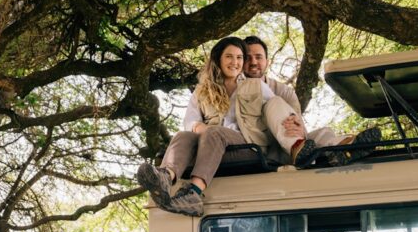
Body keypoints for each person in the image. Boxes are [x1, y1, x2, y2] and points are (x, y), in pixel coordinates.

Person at [136, 36, 320, 216]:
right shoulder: (202, 91)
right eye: (229, 57)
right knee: (183, 136)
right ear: (218, 59)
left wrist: (294, 128)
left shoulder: (256, 86)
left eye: (239, 57)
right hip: (211, 148)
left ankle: (194, 194)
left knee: (215, 133)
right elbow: (190, 121)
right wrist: (201, 128)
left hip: (247, 148)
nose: (235, 62)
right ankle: (165, 176)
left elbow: (276, 108)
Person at [241, 36, 381, 166]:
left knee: (324, 133)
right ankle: (297, 147)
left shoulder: (284, 91)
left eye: (258, 57)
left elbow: (299, 124)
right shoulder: (236, 89)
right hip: (264, 149)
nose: (253, 62)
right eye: (248, 58)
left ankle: (344, 148)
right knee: (274, 103)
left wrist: (298, 127)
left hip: (288, 146)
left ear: (267, 61)